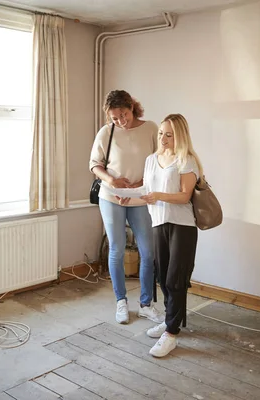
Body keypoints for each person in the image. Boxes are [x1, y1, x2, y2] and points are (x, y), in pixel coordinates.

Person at [89, 90, 164, 325]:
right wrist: (112, 182)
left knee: (148, 252)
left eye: (124, 114)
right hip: (112, 197)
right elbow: (95, 165)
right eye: (115, 118)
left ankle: (146, 304)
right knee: (117, 249)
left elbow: (159, 162)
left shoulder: (151, 128)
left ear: (132, 107)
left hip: (140, 197)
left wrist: (143, 183)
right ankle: (121, 302)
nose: (121, 121)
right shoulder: (106, 132)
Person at [138, 113, 202, 357]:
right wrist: (127, 195)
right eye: (161, 133)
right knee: (164, 277)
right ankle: (169, 320)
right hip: (158, 222)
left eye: (169, 134)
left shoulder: (186, 160)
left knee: (176, 278)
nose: (163, 138)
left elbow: (185, 195)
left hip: (182, 225)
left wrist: (159, 196)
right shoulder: (151, 159)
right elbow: (146, 189)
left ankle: (171, 333)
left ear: (180, 136)